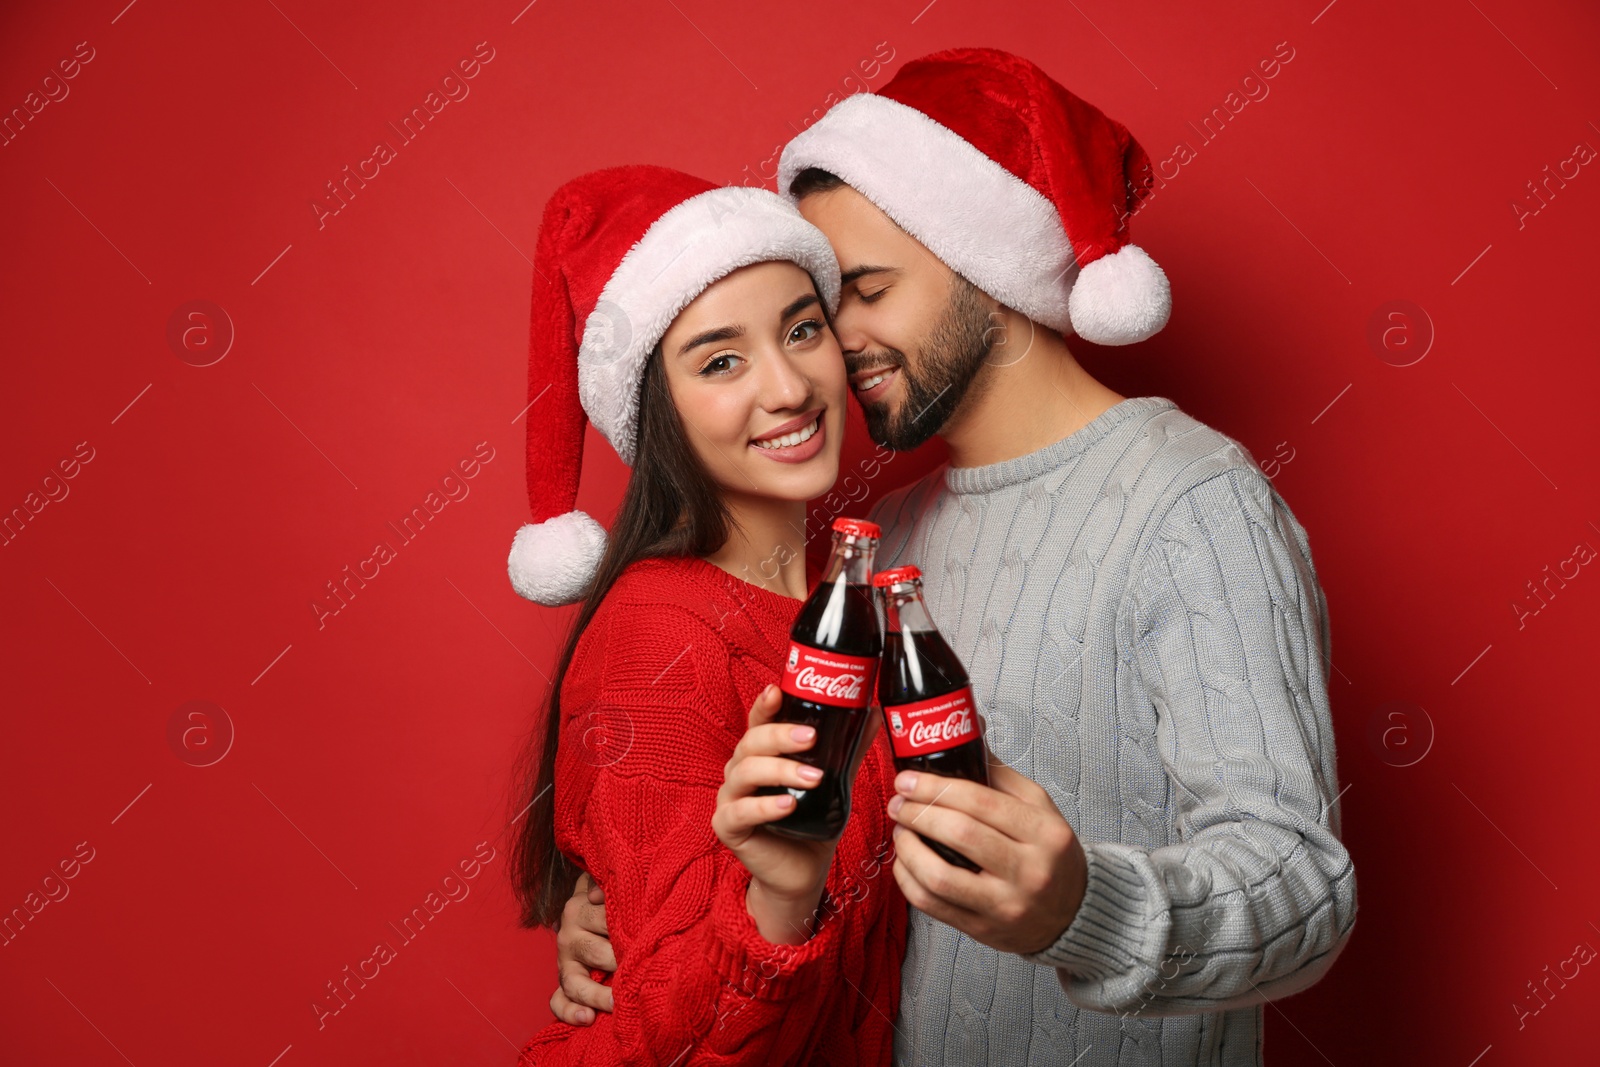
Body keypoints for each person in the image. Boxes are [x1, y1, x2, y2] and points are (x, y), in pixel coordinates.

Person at [549, 48, 1358, 1066]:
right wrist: (629, 912)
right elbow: (789, 853)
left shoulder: (1190, 504)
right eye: (826, 301)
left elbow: (1301, 886)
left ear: (988, 260)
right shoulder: (872, 541)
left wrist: (1081, 906)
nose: (832, 346)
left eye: (869, 291)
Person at [504, 164, 907, 1065]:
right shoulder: (659, 632)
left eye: (803, 330)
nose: (790, 386)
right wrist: (776, 899)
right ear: (658, 412)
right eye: (721, 360)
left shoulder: (856, 595)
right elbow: (667, 1039)